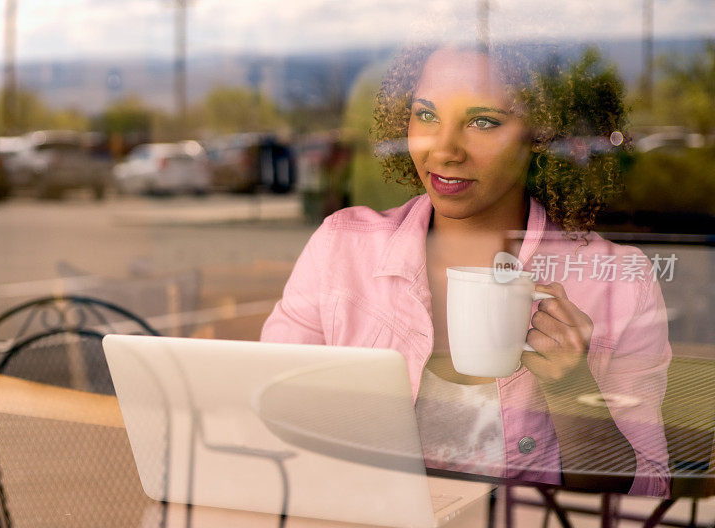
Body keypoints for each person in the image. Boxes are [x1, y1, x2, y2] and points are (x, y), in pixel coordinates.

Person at [261, 45, 671, 497]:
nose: (446, 149)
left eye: (483, 121)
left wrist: (573, 389)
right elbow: (264, 418)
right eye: (427, 115)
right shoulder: (342, 247)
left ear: (540, 132)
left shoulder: (617, 281)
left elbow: (648, 493)